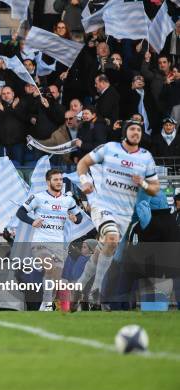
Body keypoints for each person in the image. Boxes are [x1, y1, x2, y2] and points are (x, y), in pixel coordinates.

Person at [77, 120, 160, 305]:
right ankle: (96, 291)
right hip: (102, 204)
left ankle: (80, 285)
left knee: (104, 249)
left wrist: (144, 183)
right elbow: (83, 163)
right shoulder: (108, 149)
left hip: (124, 212)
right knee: (112, 238)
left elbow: (155, 188)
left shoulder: (146, 157)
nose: (136, 132)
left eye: (139, 129)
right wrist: (84, 181)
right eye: (132, 129)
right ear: (125, 133)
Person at [16, 169, 83, 311]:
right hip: (40, 242)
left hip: (58, 244)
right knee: (50, 267)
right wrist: (31, 221)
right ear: (48, 182)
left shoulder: (68, 200)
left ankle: (45, 306)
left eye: (61, 180)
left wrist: (75, 218)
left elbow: (79, 218)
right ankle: (46, 304)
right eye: (56, 180)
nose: (59, 182)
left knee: (55, 277)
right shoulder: (38, 197)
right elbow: (20, 212)